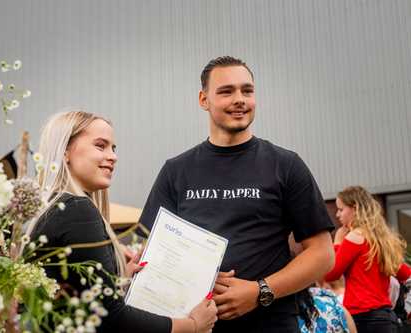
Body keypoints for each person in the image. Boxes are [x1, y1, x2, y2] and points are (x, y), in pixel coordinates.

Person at [139, 56, 335, 332]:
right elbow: (149, 250)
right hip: (197, 325)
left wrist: (260, 291)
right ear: (203, 99)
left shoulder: (285, 164)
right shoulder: (176, 171)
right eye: (226, 91)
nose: (240, 99)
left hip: (271, 325)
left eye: (247, 90)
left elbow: (323, 254)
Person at [27, 110, 217, 333]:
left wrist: (116, 278)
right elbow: (112, 318)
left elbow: (79, 295)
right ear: (65, 151)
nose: (113, 156)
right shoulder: (77, 210)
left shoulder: (53, 207)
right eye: (100, 145)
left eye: (113, 148)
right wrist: (192, 326)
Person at [325, 185, 411, 333]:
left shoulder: (354, 237)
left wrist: (338, 242)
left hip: (363, 317)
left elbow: (331, 274)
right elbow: (406, 274)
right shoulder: (381, 240)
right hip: (386, 317)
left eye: (341, 209)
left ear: (355, 208)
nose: (338, 215)